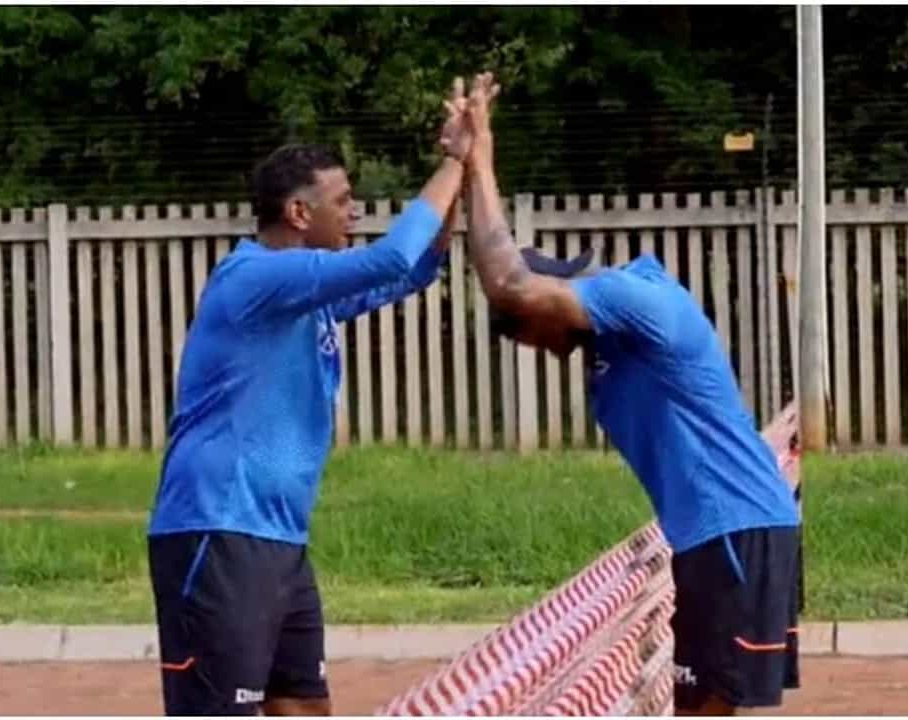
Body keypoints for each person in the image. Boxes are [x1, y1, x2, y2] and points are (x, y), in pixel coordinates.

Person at [456, 72, 801, 716]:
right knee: (698, 703)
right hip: (714, 532)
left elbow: (507, 284)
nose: (540, 348)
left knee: (706, 706)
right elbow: (504, 290)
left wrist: (478, 161)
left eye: (531, 331)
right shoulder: (608, 345)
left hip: (736, 526)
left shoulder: (631, 299)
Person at [145, 81, 474, 716]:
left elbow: (417, 267)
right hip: (218, 529)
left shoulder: (305, 296)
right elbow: (391, 257)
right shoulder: (257, 278)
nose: (354, 212)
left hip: (278, 537)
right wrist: (454, 161)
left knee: (301, 705)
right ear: (299, 213)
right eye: (342, 201)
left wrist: (470, 166)